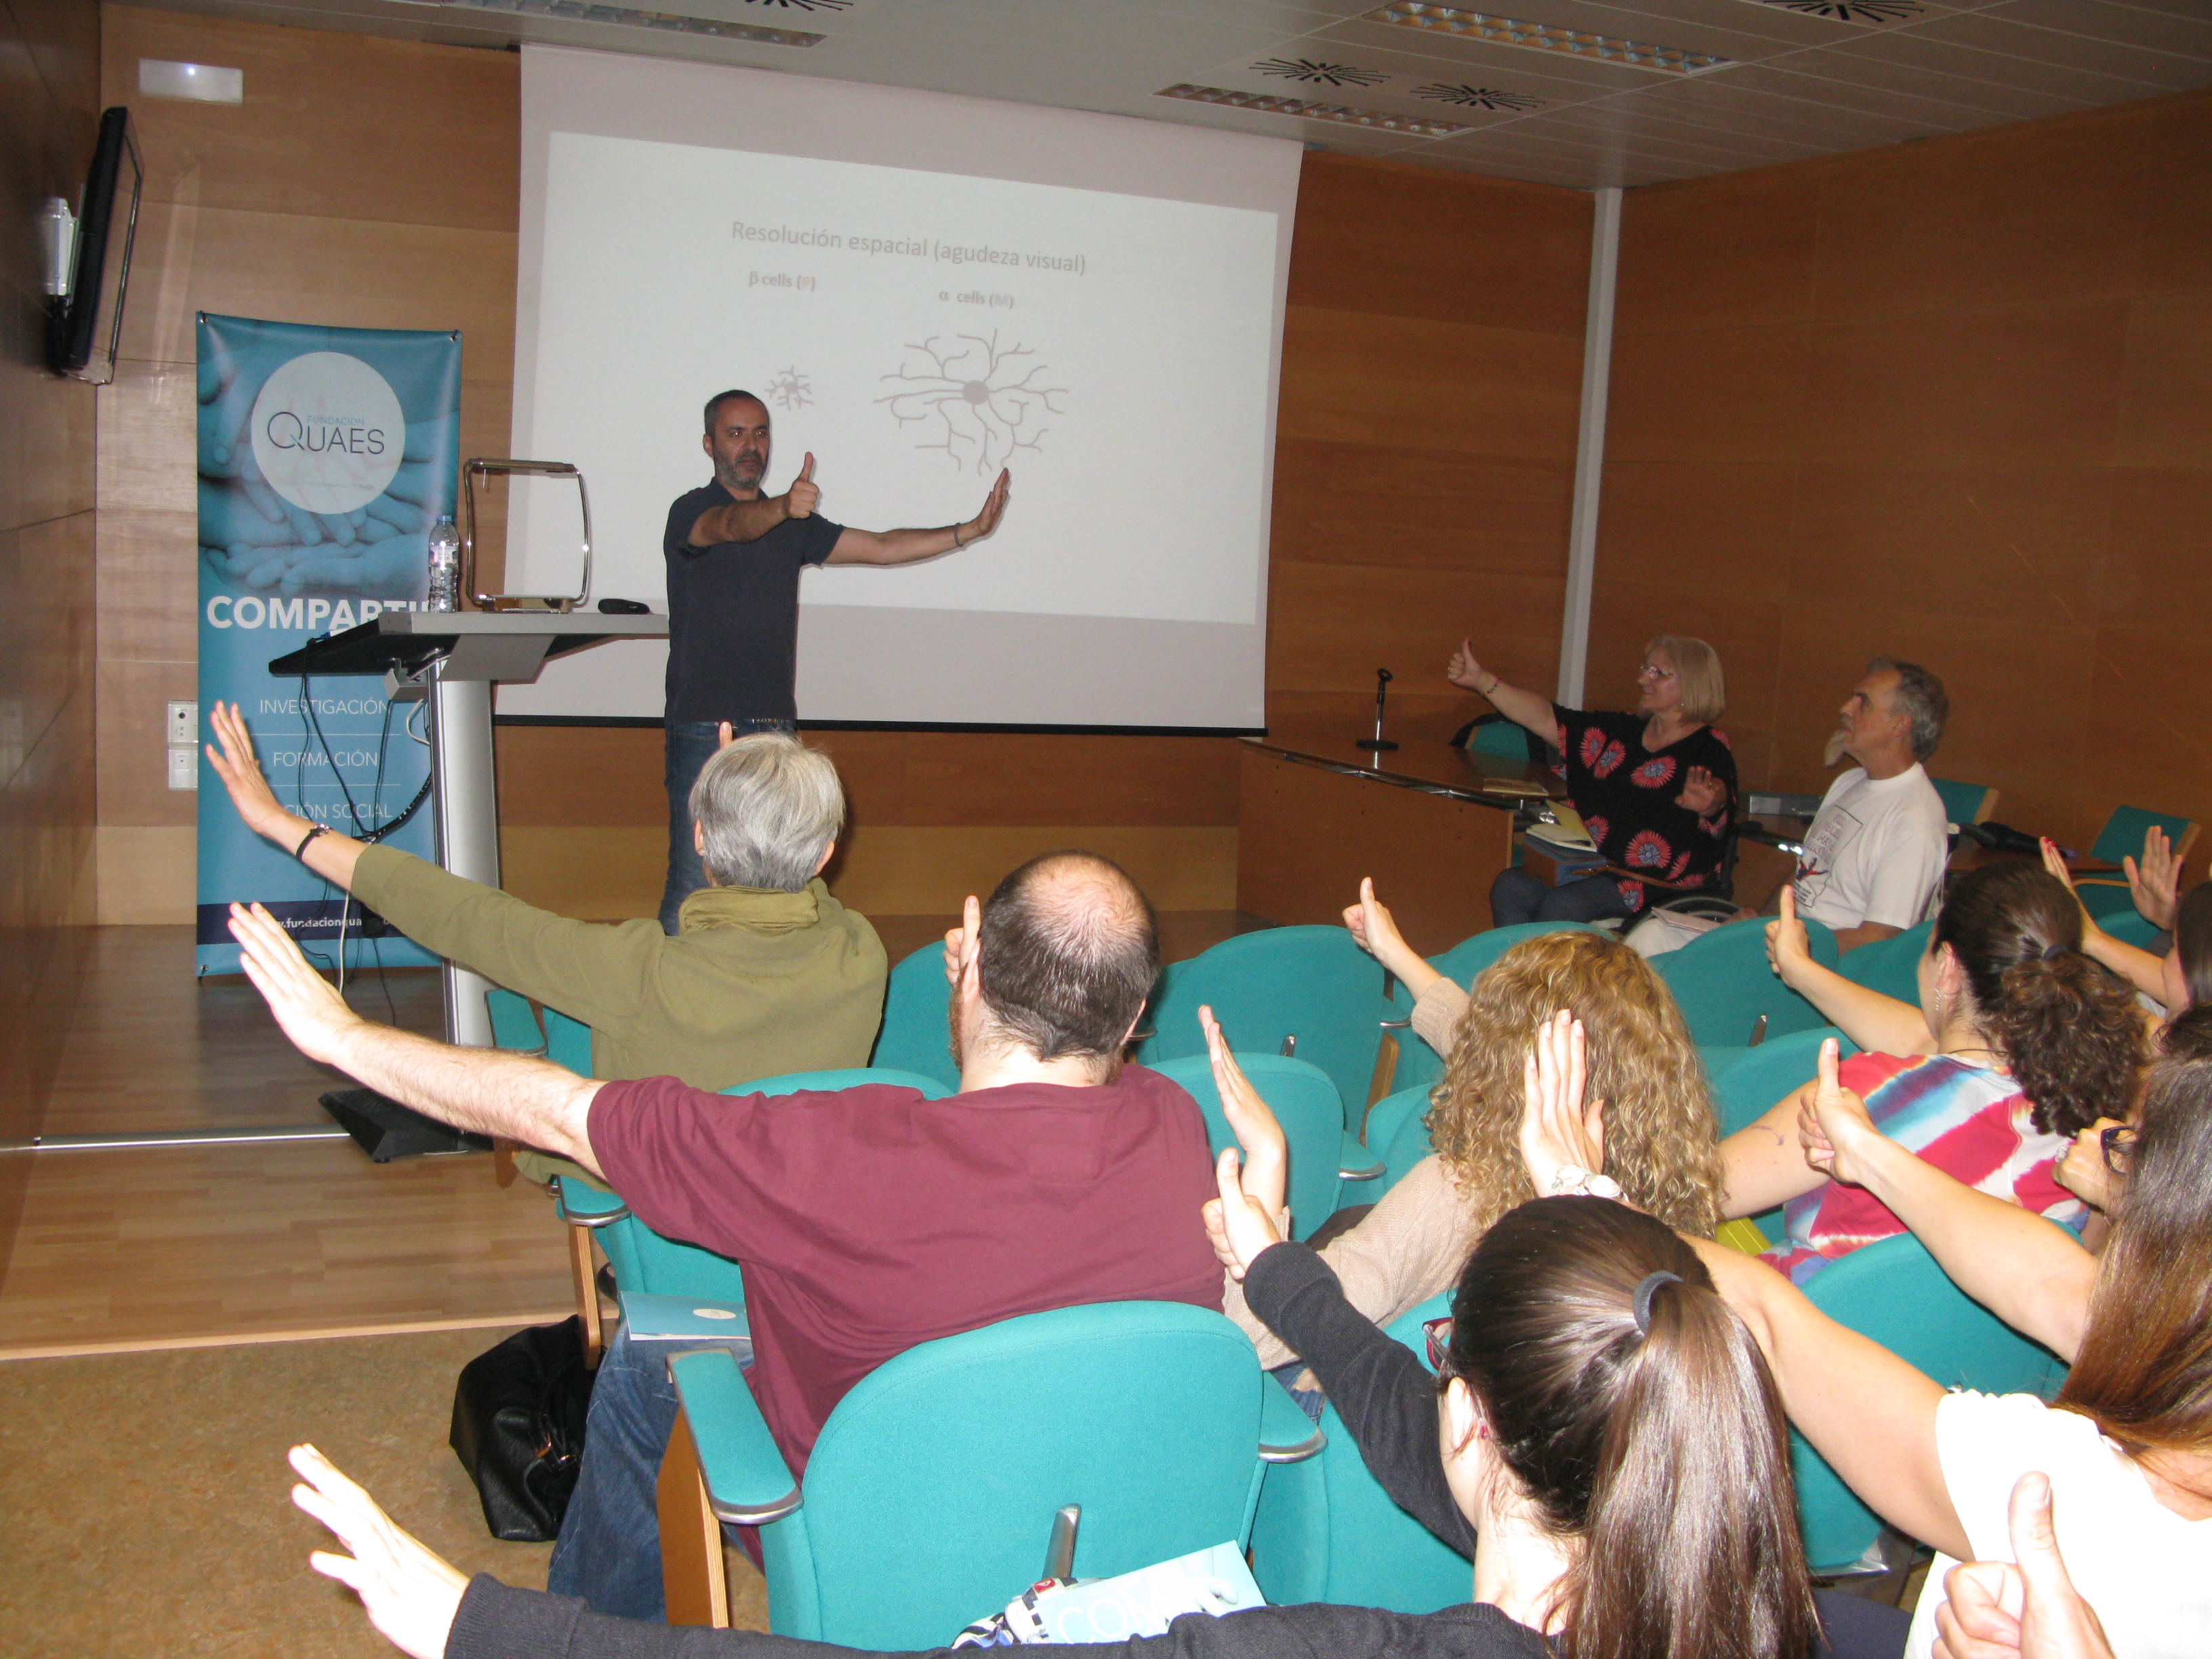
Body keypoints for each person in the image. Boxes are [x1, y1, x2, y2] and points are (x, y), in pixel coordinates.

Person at [281, 1076, 1853, 1659]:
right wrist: (1272, 1267)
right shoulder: (1814, 1605)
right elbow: (1388, 1406)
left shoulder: (1331, 1645)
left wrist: (488, 1622)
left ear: (1478, 1427)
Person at [226, 849, 1221, 1622]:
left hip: (875, 1555)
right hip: (1110, 1545)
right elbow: (1076, 1082)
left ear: (970, 956)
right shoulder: (1176, 1128)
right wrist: (1002, 994)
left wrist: (347, 1040)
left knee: (653, 1354)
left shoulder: (833, 1155)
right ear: (1136, 1016)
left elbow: (560, 1111)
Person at [1683, 1035, 2212, 1659]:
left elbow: (1768, 1321)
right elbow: (2049, 1283)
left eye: (2128, 1149)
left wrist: (1583, 1195)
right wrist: (1867, 1152)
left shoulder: (2063, 1481)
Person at [205, 701, 886, 1185]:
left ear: (699, 839)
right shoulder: (861, 955)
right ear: (827, 851)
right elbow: (809, 908)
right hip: (794, 1196)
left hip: (655, 1206)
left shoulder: (636, 972)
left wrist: (282, 824)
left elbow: (463, 915)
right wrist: (754, 800)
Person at [1224, 881, 1722, 1381]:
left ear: (1503, 1057)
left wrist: (1258, 1205)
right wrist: (1393, 951)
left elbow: (1253, 1337)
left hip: (1389, 1415)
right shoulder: (1658, 1175)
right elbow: (1477, 1040)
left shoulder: (1453, 1195)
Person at [661, 389, 1012, 932]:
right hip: (706, 728)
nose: (751, 445)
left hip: (775, 729)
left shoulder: (794, 527)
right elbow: (731, 526)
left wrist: (968, 531)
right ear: (709, 444)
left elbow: (882, 546)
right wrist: (782, 508)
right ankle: (670, 1010)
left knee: (779, 886)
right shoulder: (692, 511)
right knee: (694, 882)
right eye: (736, 434)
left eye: (760, 432)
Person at [1727, 863, 2143, 1280]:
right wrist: (1801, 970)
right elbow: (1934, 1049)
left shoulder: (1859, 1098)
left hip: (1799, 1326)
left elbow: (1693, 1191)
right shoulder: (2094, 1126)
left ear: (1947, 965)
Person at [1448, 634, 1736, 926]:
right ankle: (1517, 972)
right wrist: (1482, 681)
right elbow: (1548, 719)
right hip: (1591, 867)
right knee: (1511, 886)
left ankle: (1547, 973)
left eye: (1657, 673)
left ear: (1692, 683)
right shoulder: (1622, 731)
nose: (1643, 680)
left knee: (1564, 905)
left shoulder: (1708, 749)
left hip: (1654, 885)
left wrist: (1711, 804)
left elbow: (1720, 800)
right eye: (1645, 669)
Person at [1789, 657, 1952, 951]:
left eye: (1862, 702)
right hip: (1791, 946)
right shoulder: (1849, 782)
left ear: (1899, 725)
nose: (1844, 709)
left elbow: (1880, 939)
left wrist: (1788, 944)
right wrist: (1757, 924)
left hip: (1830, 970)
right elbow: (1801, 880)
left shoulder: (1914, 820)